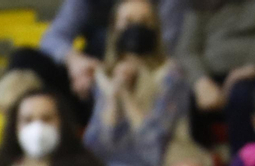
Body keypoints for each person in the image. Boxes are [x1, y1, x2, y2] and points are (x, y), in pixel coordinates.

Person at [82, 0, 191, 166]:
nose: (136, 28)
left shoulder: (172, 76)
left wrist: (127, 96)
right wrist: (113, 97)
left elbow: (153, 150)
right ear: (114, 28)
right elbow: (95, 146)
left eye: (144, 21)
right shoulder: (104, 75)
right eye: (128, 21)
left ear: (156, 29)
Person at [174, 0, 255, 152]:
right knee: (175, 91)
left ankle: (244, 165)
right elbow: (187, 50)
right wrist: (200, 81)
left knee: (241, 94)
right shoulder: (203, 5)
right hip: (210, 77)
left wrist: (246, 72)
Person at [23, 0, 185, 116]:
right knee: (25, 59)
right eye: (127, 21)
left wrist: (124, 72)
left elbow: (165, 47)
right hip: (90, 78)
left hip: (148, 78)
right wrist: (75, 61)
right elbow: (53, 38)